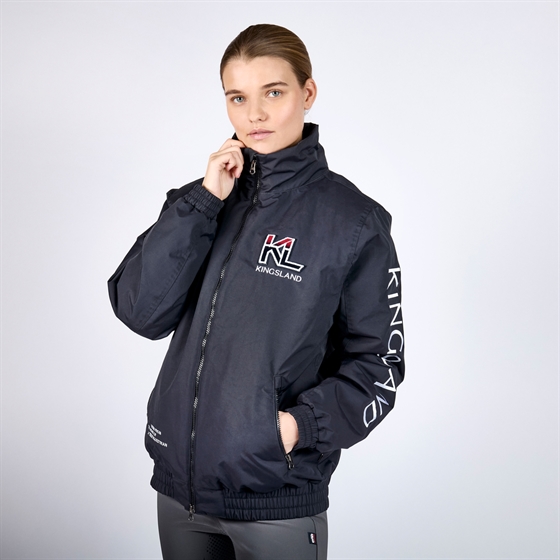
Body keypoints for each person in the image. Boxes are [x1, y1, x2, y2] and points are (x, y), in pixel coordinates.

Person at [108, 23, 405, 560]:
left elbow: (378, 363)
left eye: (273, 92)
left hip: (276, 500)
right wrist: (204, 203)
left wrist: (295, 427)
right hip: (179, 493)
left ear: (307, 93)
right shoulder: (200, 202)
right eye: (238, 98)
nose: (255, 115)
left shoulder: (353, 222)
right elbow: (139, 312)